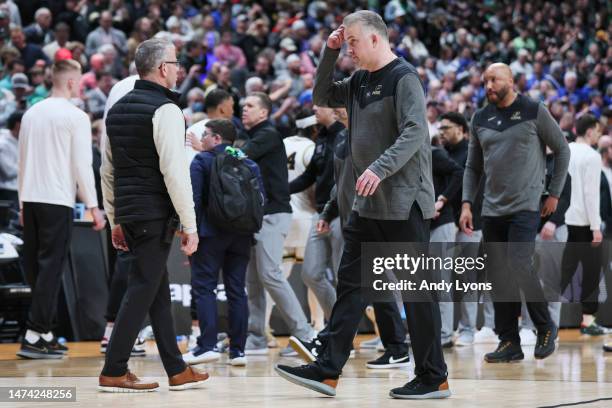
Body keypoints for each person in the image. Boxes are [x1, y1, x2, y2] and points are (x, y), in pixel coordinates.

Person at [275, 11, 450, 399]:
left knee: (416, 293)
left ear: (375, 39)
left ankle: (433, 375)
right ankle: (327, 369)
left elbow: (415, 131)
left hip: (404, 205)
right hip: (366, 206)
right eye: (346, 42)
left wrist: (380, 167)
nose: (349, 48)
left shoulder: (404, 78)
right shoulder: (358, 81)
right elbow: (321, 96)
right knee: (350, 288)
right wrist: (329, 52)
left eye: (353, 41)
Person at [99, 38, 207, 392]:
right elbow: (175, 173)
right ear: (163, 68)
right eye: (175, 63)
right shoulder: (167, 110)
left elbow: (107, 171)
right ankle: (114, 369)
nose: (178, 69)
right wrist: (190, 225)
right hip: (154, 213)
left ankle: (176, 369)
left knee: (156, 290)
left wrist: (116, 219)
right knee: (142, 288)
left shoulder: (115, 110)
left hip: (131, 214)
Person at [460, 63, 570, 363]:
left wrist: (555, 193)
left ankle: (545, 326)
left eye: (494, 80)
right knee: (498, 275)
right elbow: (473, 166)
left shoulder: (534, 110)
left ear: (511, 80)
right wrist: (467, 203)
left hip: (525, 206)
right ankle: (509, 341)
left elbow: (562, 149)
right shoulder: (480, 118)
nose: (488, 86)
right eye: (484, 82)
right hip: (492, 209)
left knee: (519, 263)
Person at [16, 59, 105, 359]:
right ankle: (33, 332)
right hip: (56, 199)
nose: (79, 85)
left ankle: (45, 332)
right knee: (51, 268)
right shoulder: (76, 117)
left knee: (39, 269)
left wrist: (20, 204)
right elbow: (81, 166)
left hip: (30, 198)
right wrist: (94, 206)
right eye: (78, 80)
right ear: (70, 82)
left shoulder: (30, 113)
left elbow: (22, 160)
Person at [182, 119, 264, 367]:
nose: (202, 139)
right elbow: (261, 200)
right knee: (237, 291)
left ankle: (206, 346)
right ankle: (238, 351)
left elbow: (193, 201)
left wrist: (189, 233)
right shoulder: (248, 163)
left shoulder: (202, 161)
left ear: (217, 139)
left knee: (205, 288)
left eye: (205, 134)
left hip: (209, 234)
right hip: (242, 235)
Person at [240, 92, 316, 355]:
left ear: (264, 112)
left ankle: (305, 334)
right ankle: (256, 335)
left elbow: (239, 155)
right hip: (257, 216)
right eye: (243, 106)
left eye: (250, 106)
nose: (244, 109)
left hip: (275, 213)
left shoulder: (268, 134)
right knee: (254, 280)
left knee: (271, 274)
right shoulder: (255, 135)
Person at [289, 105, 344, 321]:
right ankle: (336, 322)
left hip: (342, 214)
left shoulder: (346, 135)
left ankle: (341, 330)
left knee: (344, 276)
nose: (314, 108)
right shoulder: (321, 137)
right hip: (320, 213)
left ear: (335, 110)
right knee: (310, 273)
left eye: (320, 105)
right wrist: (279, 190)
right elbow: (309, 176)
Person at [559, 114, 605, 335]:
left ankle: (537, 317)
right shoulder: (592, 156)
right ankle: (588, 320)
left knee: (561, 270)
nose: (599, 134)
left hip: (562, 218)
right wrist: (596, 227)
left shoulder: (565, 150)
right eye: (598, 131)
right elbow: (591, 195)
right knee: (591, 272)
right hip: (584, 222)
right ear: (589, 131)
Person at [0, 110, 22, 208]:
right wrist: (28, 166)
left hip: (19, 191)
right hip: (7, 191)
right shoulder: (3, 144)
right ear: (18, 125)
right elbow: (8, 172)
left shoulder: (21, 141)